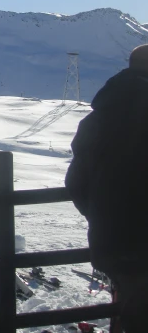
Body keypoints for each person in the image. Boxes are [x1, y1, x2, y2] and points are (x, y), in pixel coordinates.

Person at [65, 44, 148, 333]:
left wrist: (103, 215)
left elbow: (76, 183)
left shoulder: (98, 118)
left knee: (130, 313)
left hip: (114, 240)